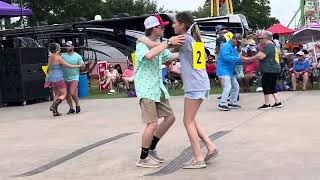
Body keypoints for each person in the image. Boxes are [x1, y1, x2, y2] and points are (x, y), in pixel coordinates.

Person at [134, 15, 185, 168]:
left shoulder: (157, 44)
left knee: (170, 118)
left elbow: (170, 55)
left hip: (157, 88)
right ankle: (143, 158)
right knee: (152, 124)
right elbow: (149, 55)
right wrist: (168, 43)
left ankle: (152, 148)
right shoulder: (142, 44)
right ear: (154, 28)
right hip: (146, 89)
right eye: (162, 27)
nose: (164, 29)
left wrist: (189, 50)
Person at [172, 11, 218, 169]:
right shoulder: (194, 39)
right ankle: (210, 146)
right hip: (200, 83)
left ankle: (198, 158)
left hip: (195, 86)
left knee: (187, 121)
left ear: (182, 25)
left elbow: (166, 48)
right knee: (192, 119)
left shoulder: (184, 39)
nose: (173, 25)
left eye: (174, 23)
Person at [243, 31, 283, 110]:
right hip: (275, 69)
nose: (260, 40)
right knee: (272, 86)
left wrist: (248, 59)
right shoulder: (273, 45)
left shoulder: (268, 46)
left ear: (266, 38)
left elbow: (260, 56)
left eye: (261, 38)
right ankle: (278, 102)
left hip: (269, 69)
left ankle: (267, 104)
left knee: (266, 85)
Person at [44, 43, 82, 116]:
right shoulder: (58, 57)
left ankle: (55, 111)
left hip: (50, 77)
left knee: (57, 94)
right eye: (59, 47)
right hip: (58, 77)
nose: (61, 48)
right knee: (64, 94)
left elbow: (48, 67)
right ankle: (54, 105)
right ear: (57, 49)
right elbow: (68, 66)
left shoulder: (50, 57)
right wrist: (78, 65)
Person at [217, 34, 244, 111]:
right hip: (223, 70)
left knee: (236, 87)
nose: (238, 44)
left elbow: (235, 59)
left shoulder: (233, 47)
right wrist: (239, 59)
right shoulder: (226, 46)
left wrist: (243, 61)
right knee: (227, 87)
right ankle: (222, 103)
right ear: (234, 39)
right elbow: (226, 58)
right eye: (238, 42)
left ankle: (232, 102)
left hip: (230, 70)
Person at [61, 41, 84, 114]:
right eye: (66, 46)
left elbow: (82, 67)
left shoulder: (77, 56)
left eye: (69, 46)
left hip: (74, 77)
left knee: (72, 92)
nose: (67, 47)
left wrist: (83, 66)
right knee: (67, 95)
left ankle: (77, 105)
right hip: (65, 78)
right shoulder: (63, 56)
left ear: (73, 47)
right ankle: (71, 108)